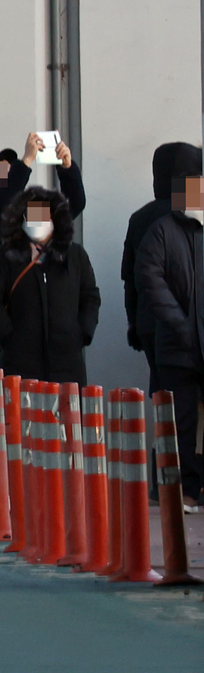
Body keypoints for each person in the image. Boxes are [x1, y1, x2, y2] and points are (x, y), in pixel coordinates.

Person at [0, 188, 100, 383]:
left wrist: (82, 332)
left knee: (69, 413)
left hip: (67, 365)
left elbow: (90, 297)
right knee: (23, 414)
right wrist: (10, 337)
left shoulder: (75, 255)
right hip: (20, 366)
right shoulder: (7, 256)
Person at [133, 171, 204, 509]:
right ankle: (184, 491)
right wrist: (181, 323)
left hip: (186, 340)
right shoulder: (162, 230)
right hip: (178, 346)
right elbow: (148, 276)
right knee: (181, 423)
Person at [0, 132, 86, 307]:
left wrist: (66, 168)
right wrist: (25, 162)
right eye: (0, 171)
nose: (8, 173)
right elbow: (0, 206)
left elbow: (70, 206)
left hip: (31, 315)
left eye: (9, 169)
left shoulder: (28, 213)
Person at [122, 143, 203, 392]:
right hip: (192, 326)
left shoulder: (139, 217)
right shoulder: (194, 215)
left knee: (166, 402)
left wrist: (133, 323)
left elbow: (131, 279)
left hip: (150, 323)